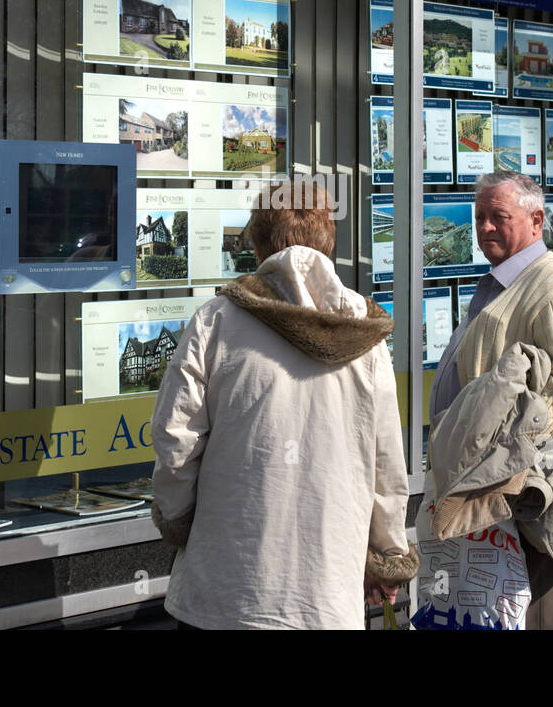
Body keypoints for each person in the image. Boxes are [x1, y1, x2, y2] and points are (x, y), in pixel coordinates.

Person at [150, 182, 418, 629]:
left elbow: (176, 441)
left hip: (224, 594)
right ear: (329, 242)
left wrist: (179, 520)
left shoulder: (216, 320)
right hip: (325, 597)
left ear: (255, 243)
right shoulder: (365, 337)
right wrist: (386, 554)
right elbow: (385, 464)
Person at [428, 170, 553, 629]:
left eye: (498, 217)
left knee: (536, 615)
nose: (485, 227)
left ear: (536, 220)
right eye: (480, 216)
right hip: (492, 487)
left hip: (527, 494)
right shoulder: (504, 279)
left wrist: (505, 454)